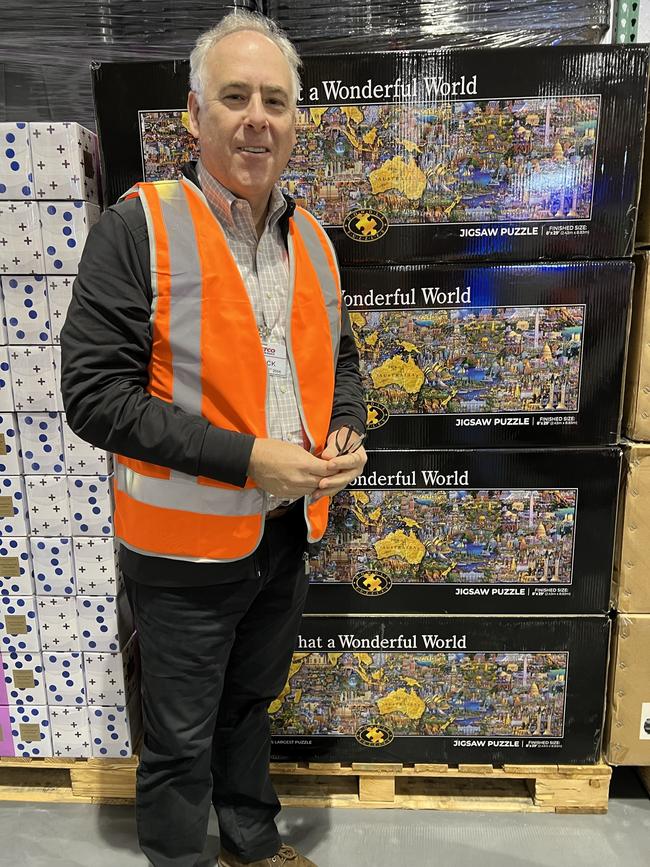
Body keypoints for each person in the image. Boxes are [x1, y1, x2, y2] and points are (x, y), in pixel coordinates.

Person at [60, 11, 367, 867]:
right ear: (193, 115)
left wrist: (348, 427)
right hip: (181, 548)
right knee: (180, 731)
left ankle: (252, 840)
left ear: (297, 119)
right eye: (235, 97)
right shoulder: (140, 227)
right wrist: (249, 458)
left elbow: (340, 358)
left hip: (283, 532)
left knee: (249, 705)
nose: (257, 117)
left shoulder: (312, 239)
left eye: (275, 99)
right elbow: (93, 398)